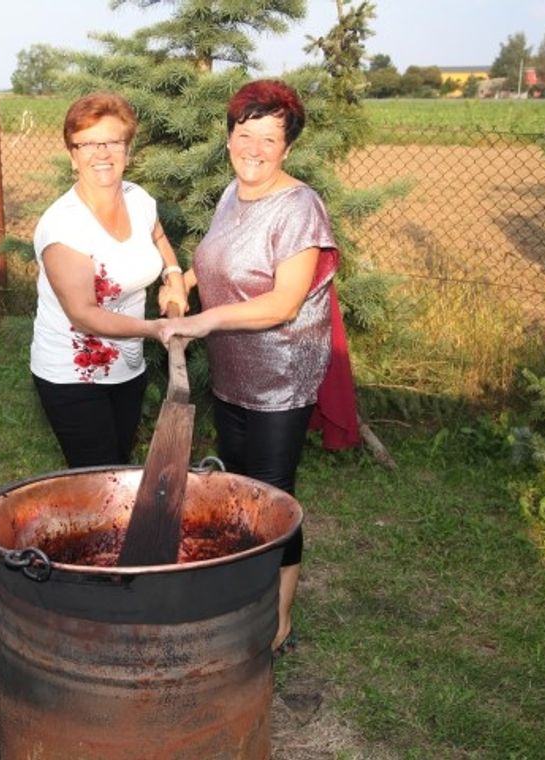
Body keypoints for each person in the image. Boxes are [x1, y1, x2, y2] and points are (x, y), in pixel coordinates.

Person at [159, 79, 348, 654]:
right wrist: (182, 287)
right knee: (238, 489)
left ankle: (278, 622)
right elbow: (216, 258)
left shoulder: (299, 207)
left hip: (282, 374)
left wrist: (205, 321)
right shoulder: (231, 194)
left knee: (272, 496)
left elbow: (285, 301)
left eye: (269, 138)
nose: (255, 148)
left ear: (288, 147)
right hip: (235, 368)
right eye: (245, 135)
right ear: (229, 137)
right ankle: (245, 591)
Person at [31, 91, 188, 468]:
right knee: (97, 480)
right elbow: (83, 314)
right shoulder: (63, 225)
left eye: (113, 141)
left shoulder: (138, 199)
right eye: (87, 143)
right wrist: (156, 328)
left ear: (127, 150)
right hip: (72, 375)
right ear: (73, 155)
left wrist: (175, 275)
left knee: (119, 465)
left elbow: (159, 238)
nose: (102, 153)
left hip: (128, 368)